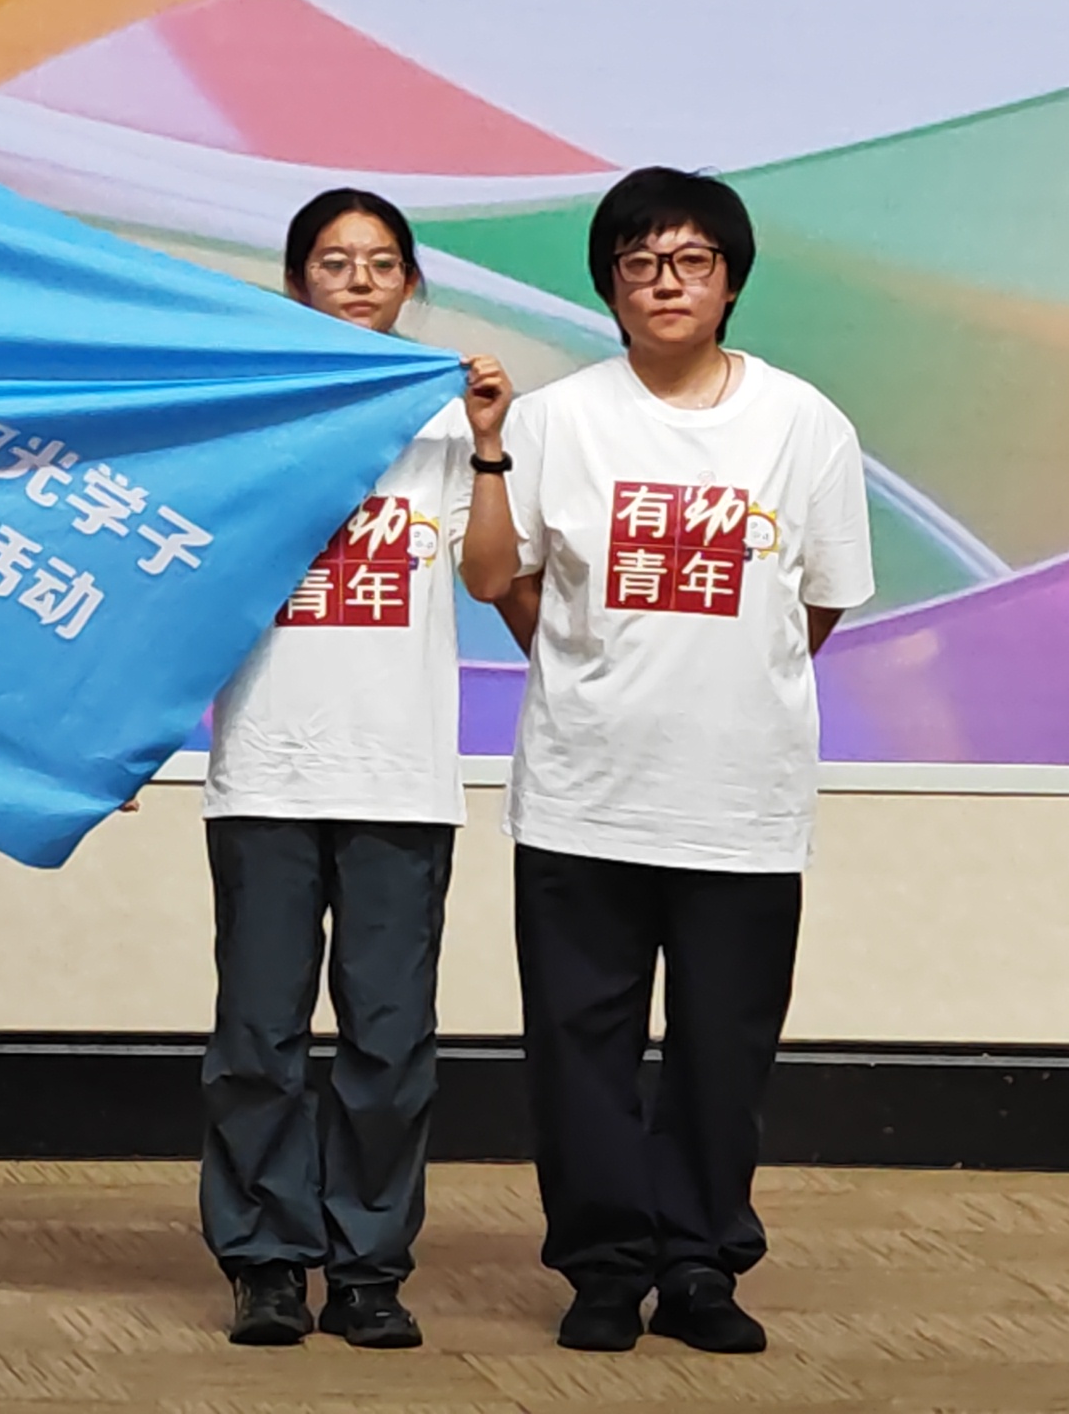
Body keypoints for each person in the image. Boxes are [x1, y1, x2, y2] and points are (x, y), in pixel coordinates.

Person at [460, 167, 872, 1358]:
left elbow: (819, 601)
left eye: (692, 261)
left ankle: (699, 1264)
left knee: (720, 1050)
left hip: (740, 797)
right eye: (639, 264)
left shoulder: (802, 422)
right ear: (610, 286)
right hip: (582, 792)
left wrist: (726, 682)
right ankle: (602, 1267)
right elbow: (510, 579)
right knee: (578, 1049)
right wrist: (589, 666)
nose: (666, 283)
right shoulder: (555, 421)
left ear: (731, 281)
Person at [202, 188, 517, 1352]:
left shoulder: (446, 421)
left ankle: (370, 1269)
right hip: (267, 773)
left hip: (400, 777)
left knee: (390, 1044)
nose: (359, 281)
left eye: (382, 263)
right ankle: (267, 1262)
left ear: (411, 284)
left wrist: (490, 445)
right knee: (259, 1038)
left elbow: (491, 577)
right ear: (298, 283)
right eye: (334, 262)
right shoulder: (253, 414)